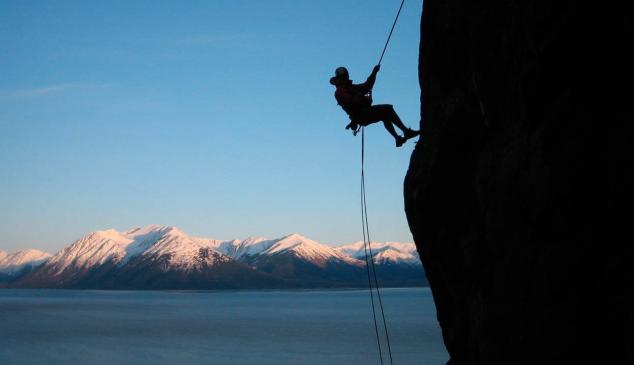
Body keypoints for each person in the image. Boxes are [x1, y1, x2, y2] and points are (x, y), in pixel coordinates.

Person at [330, 65, 420, 147]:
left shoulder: (351, 88)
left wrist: (374, 73)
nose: (346, 78)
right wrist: (365, 99)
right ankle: (406, 132)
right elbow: (352, 102)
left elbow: (366, 86)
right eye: (344, 76)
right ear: (340, 78)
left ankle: (398, 138)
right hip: (361, 115)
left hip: (362, 114)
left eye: (346, 76)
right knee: (387, 109)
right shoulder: (340, 91)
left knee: (385, 115)